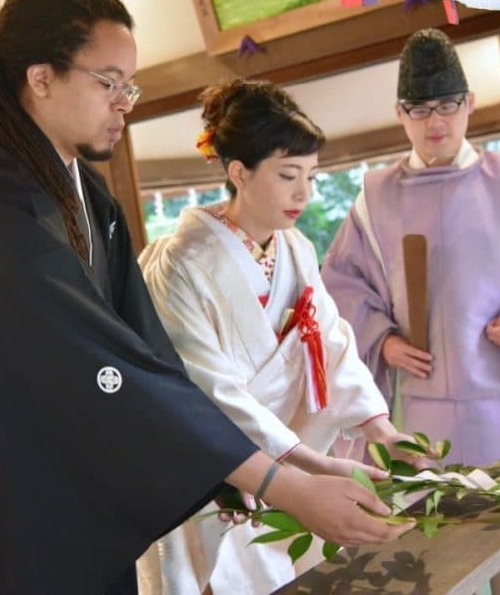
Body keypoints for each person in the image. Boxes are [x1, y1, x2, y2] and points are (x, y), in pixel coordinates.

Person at [0, 0, 412, 594]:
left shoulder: (86, 197)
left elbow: (150, 359)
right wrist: (280, 482)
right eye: (110, 82)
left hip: (38, 482)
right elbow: (111, 378)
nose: (124, 103)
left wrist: (289, 464)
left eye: (130, 86)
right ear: (41, 78)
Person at [321, 28, 500, 552]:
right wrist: (382, 339)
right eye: (419, 108)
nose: (435, 121)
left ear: (470, 105)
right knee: (433, 553)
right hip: (418, 419)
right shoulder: (372, 200)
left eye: (447, 105)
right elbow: (339, 291)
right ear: (399, 113)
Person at [137, 78, 413, 595]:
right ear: (239, 172)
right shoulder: (180, 264)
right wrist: (304, 466)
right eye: (289, 175)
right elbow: (209, 391)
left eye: (311, 175)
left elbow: (330, 341)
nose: (304, 193)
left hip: (292, 457)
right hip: (220, 469)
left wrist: (382, 432)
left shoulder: (297, 248)